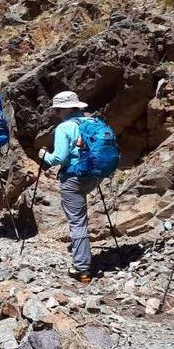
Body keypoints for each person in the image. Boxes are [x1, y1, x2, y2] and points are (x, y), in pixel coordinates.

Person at [39, 91, 110, 284]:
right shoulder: (92, 122)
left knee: (78, 222)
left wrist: (43, 156)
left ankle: (82, 269)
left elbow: (58, 158)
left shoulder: (65, 127)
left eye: (58, 110)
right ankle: (84, 260)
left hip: (73, 178)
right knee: (81, 217)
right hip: (95, 176)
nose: (57, 113)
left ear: (64, 109)